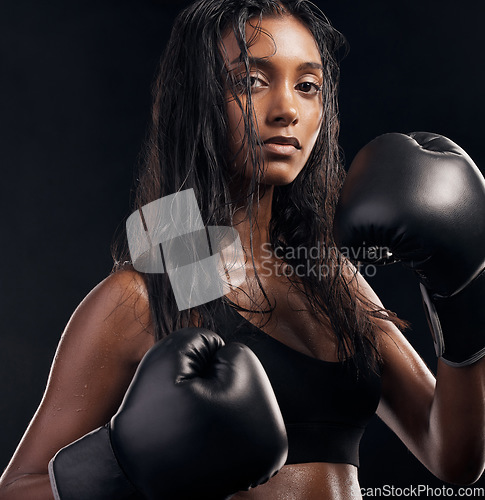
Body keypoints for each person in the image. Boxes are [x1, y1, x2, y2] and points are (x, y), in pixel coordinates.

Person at [1, 0, 484, 498]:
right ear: (197, 99)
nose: (286, 110)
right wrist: (121, 462)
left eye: (307, 86)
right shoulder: (151, 293)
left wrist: (463, 289)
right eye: (251, 81)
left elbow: (454, 456)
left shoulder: (332, 280)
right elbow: (17, 489)